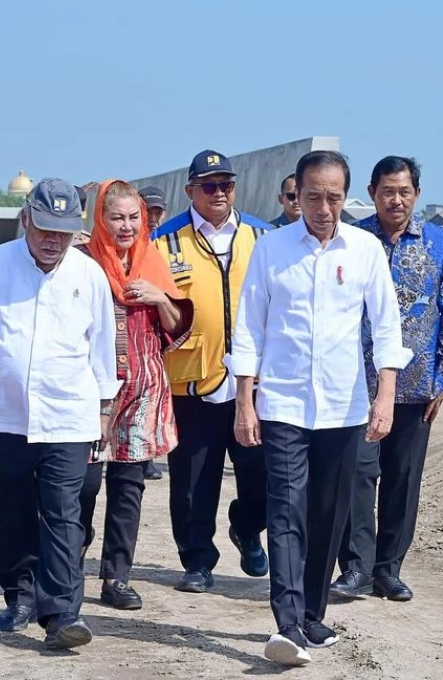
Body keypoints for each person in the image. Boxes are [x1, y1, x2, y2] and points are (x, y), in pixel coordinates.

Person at [228, 150, 411, 667]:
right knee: (285, 509)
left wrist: (386, 395)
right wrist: (246, 398)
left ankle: (312, 613)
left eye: (333, 197)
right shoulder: (272, 250)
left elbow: (387, 326)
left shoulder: (366, 249)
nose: (324, 208)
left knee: (329, 515)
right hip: (283, 401)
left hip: (344, 403)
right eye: (313, 197)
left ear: (346, 197)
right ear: (296, 196)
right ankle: (286, 623)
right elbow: (249, 327)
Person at [0, 178, 120, 649]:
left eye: (63, 233)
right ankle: (19, 596)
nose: (52, 240)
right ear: (26, 218)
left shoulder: (89, 276)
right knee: (8, 510)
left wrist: (104, 412)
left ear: (76, 231)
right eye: (44, 228)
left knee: (65, 514)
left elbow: (103, 349)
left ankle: (63, 615)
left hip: (68, 414)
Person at [332, 156, 443, 603]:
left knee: (402, 480)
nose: (396, 199)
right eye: (387, 191)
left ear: (416, 194)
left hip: (415, 387)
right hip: (357, 384)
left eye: (404, 191)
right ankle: (356, 567)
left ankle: (389, 570)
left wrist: (442, 376)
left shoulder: (440, 244)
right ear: (372, 192)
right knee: (356, 475)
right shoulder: (350, 240)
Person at [151, 150, 271, 593]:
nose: (219, 193)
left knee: (262, 475)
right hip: (192, 379)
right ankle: (197, 560)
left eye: (226, 185)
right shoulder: (165, 241)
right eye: (209, 186)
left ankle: (247, 526)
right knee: (192, 483)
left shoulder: (262, 236)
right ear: (191, 191)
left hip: (254, 382)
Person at [78, 180, 194, 611]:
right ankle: (70, 568)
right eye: (117, 218)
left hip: (144, 388)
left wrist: (158, 295)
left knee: (128, 488)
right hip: (93, 392)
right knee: (82, 486)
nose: (126, 227)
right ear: (101, 220)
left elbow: (176, 330)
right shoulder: (84, 262)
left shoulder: (153, 259)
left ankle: (116, 577)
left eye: (133, 218)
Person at [138, 184, 170, 481]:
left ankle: (147, 456)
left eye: (158, 211)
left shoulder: (162, 244)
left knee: (152, 401)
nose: (153, 217)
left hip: (157, 335)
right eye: (149, 211)